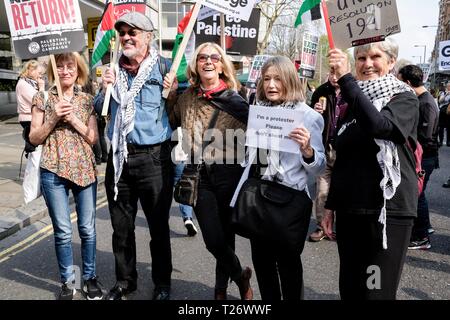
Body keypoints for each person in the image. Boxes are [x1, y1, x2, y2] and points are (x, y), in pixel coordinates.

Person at [322, 38, 420, 299]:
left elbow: (380, 126)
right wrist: (330, 206)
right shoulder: (353, 103)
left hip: (387, 215)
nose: (367, 64)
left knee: (374, 292)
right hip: (351, 212)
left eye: (375, 57)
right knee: (351, 290)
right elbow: (341, 159)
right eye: (361, 58)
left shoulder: (404, 98)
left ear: (390, 62)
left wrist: (347, 81)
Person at [94, 12, 174, 300]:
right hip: (119, 158)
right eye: (123, 32)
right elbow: (99, 108)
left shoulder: (165, 67)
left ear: (148, 37)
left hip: (154, 158)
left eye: (134, 32)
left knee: (158, 227)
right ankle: (125, 281)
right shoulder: (111, 69)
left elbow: (181, 111)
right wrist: (104, 89)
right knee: (121, 228)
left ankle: (162, 284)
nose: (127, 36)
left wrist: (174, 92)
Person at [164, 42, 253, 300]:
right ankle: (241, 276)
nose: (209, 61)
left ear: (222, 65)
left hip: (229, 173)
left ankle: (220, 290)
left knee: (227, 236)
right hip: (197, 175)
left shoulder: (236, 99)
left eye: (215, 57)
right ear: (196, 64)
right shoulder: (187, 97)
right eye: (203, 57)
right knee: (213, 240)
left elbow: (258, 132)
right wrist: (170, 94)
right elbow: (171, 120)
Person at [247, 56, 326, 300]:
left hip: (289, 201)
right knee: (262, 263)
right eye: (267, 78)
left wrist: (308, 150)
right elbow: (250, 158)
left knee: (289, 265)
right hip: (259, 198)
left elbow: (319, 168)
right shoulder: (257, 112)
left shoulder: (309, 117)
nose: (271, 85)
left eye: (277, 79)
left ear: (289, 81)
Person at [29, 52, 101, 300]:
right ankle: (69, 282)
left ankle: (90, 278)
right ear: (53, 70)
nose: (65, 70)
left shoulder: (87, 100)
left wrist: (72, 118)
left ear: (78, 70)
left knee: (87, 229)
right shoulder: (43, 98)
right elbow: (34, 138)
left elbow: (93, 138)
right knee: (62, 231)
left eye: (70, 66)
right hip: (53, 170)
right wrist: (53, 118)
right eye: (59, 66)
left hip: (84, 170)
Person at [397, 64, 439, 249]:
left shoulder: (426, 103)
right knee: (418, 195)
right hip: (420, 157)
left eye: (399, 82)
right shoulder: (420, 99)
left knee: (417, 195)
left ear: (407, 82)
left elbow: (424, 136)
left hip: (425, 158)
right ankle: (425, 227)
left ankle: (422, 236)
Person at [308, 71, 348, 242]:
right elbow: (308, 118)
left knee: (343, 190)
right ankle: (321, 226)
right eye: (331, 73)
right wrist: (314, 111)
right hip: (325, 147)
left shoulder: (352, 91)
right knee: (322, 191)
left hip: (344, 150)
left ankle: (341, 227)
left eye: (336, 72)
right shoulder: (321, 92)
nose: (333, 76)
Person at [16, 60, 45, 155]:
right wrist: (41, 88)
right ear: (31, 70)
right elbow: (38, 101)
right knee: (34, 147)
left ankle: (33, 164)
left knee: (33, 146)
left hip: (30, 117)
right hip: (28, 118)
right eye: (39, 73)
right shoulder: (23, 84)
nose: (40, 76)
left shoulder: (29, 83)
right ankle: (33, 167)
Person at [83, 78, 108, 165]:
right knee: (101, 136)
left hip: (96, 118)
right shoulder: (95, 93)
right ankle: (104, 156)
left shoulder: (85, 96)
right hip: (101, 118)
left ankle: (98, 158)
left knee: (96, 138)